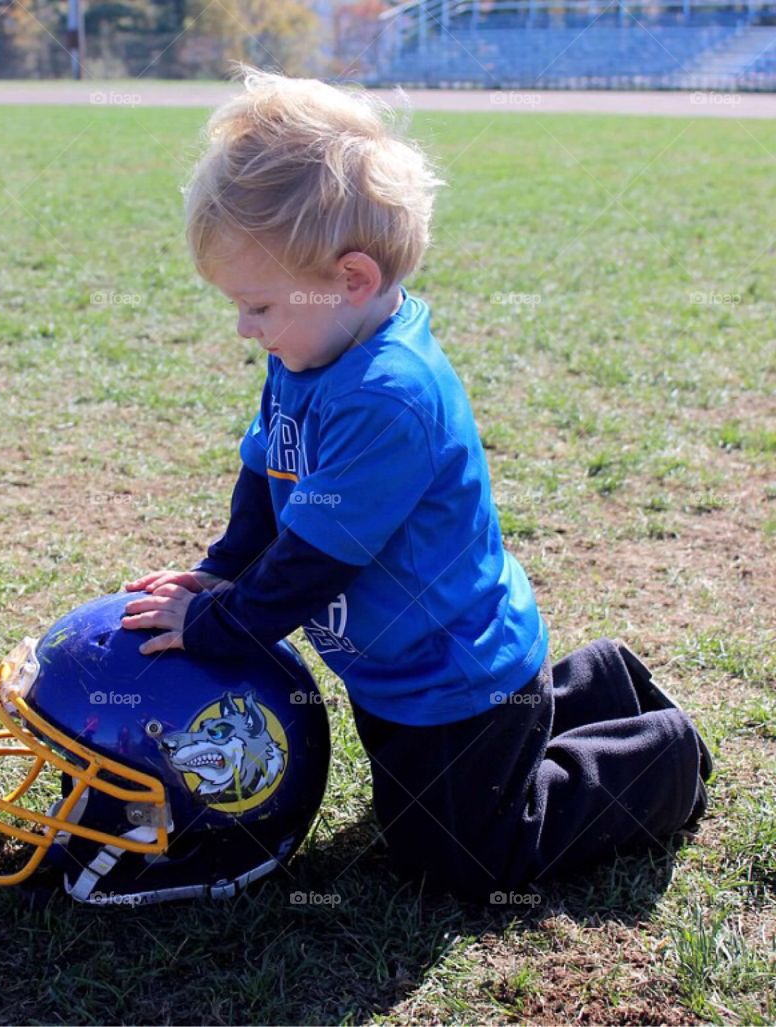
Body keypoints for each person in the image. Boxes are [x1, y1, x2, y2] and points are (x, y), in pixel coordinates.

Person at [120, 66, 710, 901]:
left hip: (454, 672)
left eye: (256, 305)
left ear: (352, 278)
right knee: (430, 815)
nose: (244, 328)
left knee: (466, 859)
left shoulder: (387, 396)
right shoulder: (312, 345)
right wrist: (222, 566)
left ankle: (663, 760)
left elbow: (314, 564)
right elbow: (266, 468)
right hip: (398, 662)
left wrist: (219, 622)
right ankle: (598, 683)